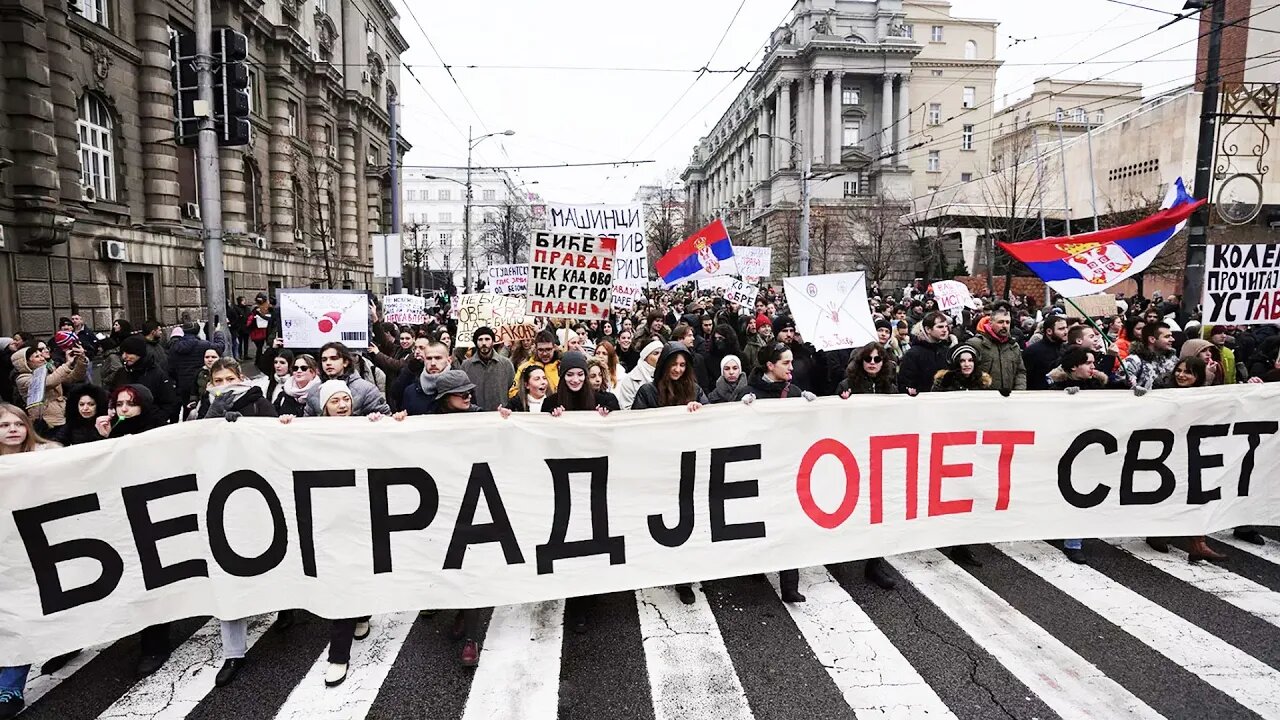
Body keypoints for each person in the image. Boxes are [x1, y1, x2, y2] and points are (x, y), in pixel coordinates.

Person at [733, 342, 815, 602]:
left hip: (789, 469)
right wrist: (740, 408)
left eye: (791, 362)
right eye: (785, 363)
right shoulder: (749, 392)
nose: (792, 367)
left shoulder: (795, 393)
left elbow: (807, 430)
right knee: (761, 521)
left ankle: (790, 585)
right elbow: (734, 431)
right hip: (760, 470)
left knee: (789, 524)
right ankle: (757, 565)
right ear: (770, 365)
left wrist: (812, 410)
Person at [632, 342, 709, 605]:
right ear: (664, 364)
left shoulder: (695, 390)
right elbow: (636, 426)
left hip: (687, 467)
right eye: (673, 364)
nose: (677, 369)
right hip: (659, 467)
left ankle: (684, 578)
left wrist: (700, 411)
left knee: (686, 523)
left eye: (682, 365)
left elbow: (712, 421)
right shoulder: (648, 391)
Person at [0, 403, 60, 718]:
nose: (13, 429)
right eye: (4, 425)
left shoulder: (47, 456)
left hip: (36, 549)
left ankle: (10, 686)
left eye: (18, 424)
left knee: (20, 616)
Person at [427, 370, 488, 666]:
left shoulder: (480, 417)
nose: (468, 396)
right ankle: (462, 611)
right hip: (443, 502)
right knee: (451, 566)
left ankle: (471, 638)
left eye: (469, 391)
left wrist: (505, 421)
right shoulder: (428, 422)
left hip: (477, 501)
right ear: (444, 398)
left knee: (471, 567)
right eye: (461, 393)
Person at [834, 343, 899, 589]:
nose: (872, 363)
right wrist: (843, 404)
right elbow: (834, 420)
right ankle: (839, 552)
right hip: (854, 454)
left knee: (878, 510)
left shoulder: (890, 387)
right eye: (868, 359)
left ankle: (875, 563)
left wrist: (910, 398)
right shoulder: (846, 385)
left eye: (877, 359)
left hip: (880, 456)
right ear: (861, 361)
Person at [929, 345, 990, 568]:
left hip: (973, 445)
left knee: (968, 494)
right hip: (949, 445)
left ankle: (961, 545)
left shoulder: (982, 384)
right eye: (962, 360)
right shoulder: (943, 383)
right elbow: (931, 409)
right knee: (949, 494)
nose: (966, 364)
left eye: (970, 360)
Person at [12, 340, 87, 434]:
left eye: (41, 355)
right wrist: (67, 364)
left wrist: (81, 359)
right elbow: (48, 382)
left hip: (62, 414)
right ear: (26, 362)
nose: (42, 358)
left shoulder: (49, 369)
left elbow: (72, 378)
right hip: (46, 421)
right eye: (37, 356)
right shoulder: (22, 378)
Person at [305, 342, 390, 417]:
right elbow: (307, 423)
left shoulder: (367, 390)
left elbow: (384, 419)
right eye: (324, 360)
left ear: (345, 362)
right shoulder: (314, 391)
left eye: (334, 358)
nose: (328, 363)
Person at [119, 335, 179, 425]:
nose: (124, 356)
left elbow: (169, 402)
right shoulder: (121, 373)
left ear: (139, 353)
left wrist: (157, 420)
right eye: (122, 353)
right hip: (124, 424)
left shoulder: (156, 374)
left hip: (150, 425)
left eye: (129, 353)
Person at [968, 307, 1026, 393]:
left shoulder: (1013, 346)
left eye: (1007, 322)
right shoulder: (976, 344)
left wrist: (1019, 392)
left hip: (1009, 397)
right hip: (983, 397)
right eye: (1000, 322)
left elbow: (1020, 372)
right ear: (990, 323)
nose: (1004, 326)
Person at [462, 326, 516, 411]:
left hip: (500, 414)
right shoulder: (466, 365)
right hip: (474, 414)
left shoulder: (506, 364)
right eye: (480, 340)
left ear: (493, 341)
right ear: (476, 342)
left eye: (487, 339)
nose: (484, 343)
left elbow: (511, 387)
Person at [898, 312, 952, 395]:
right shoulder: (913, 354)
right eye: (940, 327)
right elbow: (905, 384)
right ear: (928, 329)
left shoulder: (947, 351)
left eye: (946, 326)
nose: (945, 330)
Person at [1123, 321, 1178, 390]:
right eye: (1167, 337)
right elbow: (1120, 386)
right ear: (1152, 339)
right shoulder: (1133, 361)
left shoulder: (1172, 359)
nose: (1172, 339)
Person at [401, 340, 452, 415]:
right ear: (424, 360)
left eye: (438, 358)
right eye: (429, 358)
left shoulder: (460, 389)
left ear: (449, 360)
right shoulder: (410, 392)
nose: (433, 363)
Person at [508, 330, 561, 399]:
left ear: (554, 348)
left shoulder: (561, 366)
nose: (545, 353)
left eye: (548, 349)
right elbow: (513, 392)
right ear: (535, 348)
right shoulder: (524, 368)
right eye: (541, 350)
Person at [1023, 315, 1069, 391]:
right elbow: (1026, 378)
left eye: (1066, 328)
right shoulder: (1033, 351)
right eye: (1061, 329)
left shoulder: (1067, 349)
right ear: (1049, 331)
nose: (1066, 331)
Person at [616, 339, 664, 410]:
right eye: (656, 353)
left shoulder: (669, 374)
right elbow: (626, 408)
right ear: (645, 357)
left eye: (662, 353)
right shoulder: (630, 379)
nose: (660, 356)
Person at [0, 332, 30, 404]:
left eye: (16, 340)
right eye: (13, 339)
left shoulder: (26, 352)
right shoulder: (7, 352)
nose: (14, 342)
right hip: (8, 388)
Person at [247, 293, 273, 360]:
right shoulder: (255, 310)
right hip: (257, 332)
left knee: (262, 347)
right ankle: (259, 360)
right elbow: (250, 323)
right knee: (260, 347)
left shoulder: (266, 307)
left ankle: (260, 360)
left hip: (263, 331)